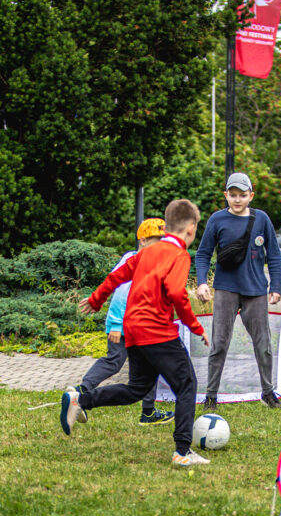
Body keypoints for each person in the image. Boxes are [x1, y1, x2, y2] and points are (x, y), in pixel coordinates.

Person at [61, 199, 212, 466]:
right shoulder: (179, 255)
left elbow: (116, 277)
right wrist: (195, 326)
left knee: (136, 389)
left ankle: (80, 400)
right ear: (191, 229)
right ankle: (182, 451)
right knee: (187, 385)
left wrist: (96, 300)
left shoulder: (147, 252)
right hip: (157, 332)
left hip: (133, 330)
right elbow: (177, 293)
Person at [194, 172, 281, 410]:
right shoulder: (217, 220)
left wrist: (275, 286)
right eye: (232, 195)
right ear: (226, 195)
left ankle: (268, 392)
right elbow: (202, 254)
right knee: (219, 344)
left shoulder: (262, 219)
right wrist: (201, 281)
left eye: (242, 195)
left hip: (255, 290)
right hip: (226, 289)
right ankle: (211, 395)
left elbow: (274, 255)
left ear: (251, 196)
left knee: (263, 344)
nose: (237, 200)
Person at [74, 218, 174, 426]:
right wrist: (117, 325)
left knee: (150, 366)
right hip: (121, 325)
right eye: (158, 241)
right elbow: (120, 293)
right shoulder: (134, 262)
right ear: (144, 241)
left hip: (140, 327)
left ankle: (148, 412)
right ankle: (81, 392)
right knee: (114, 361)